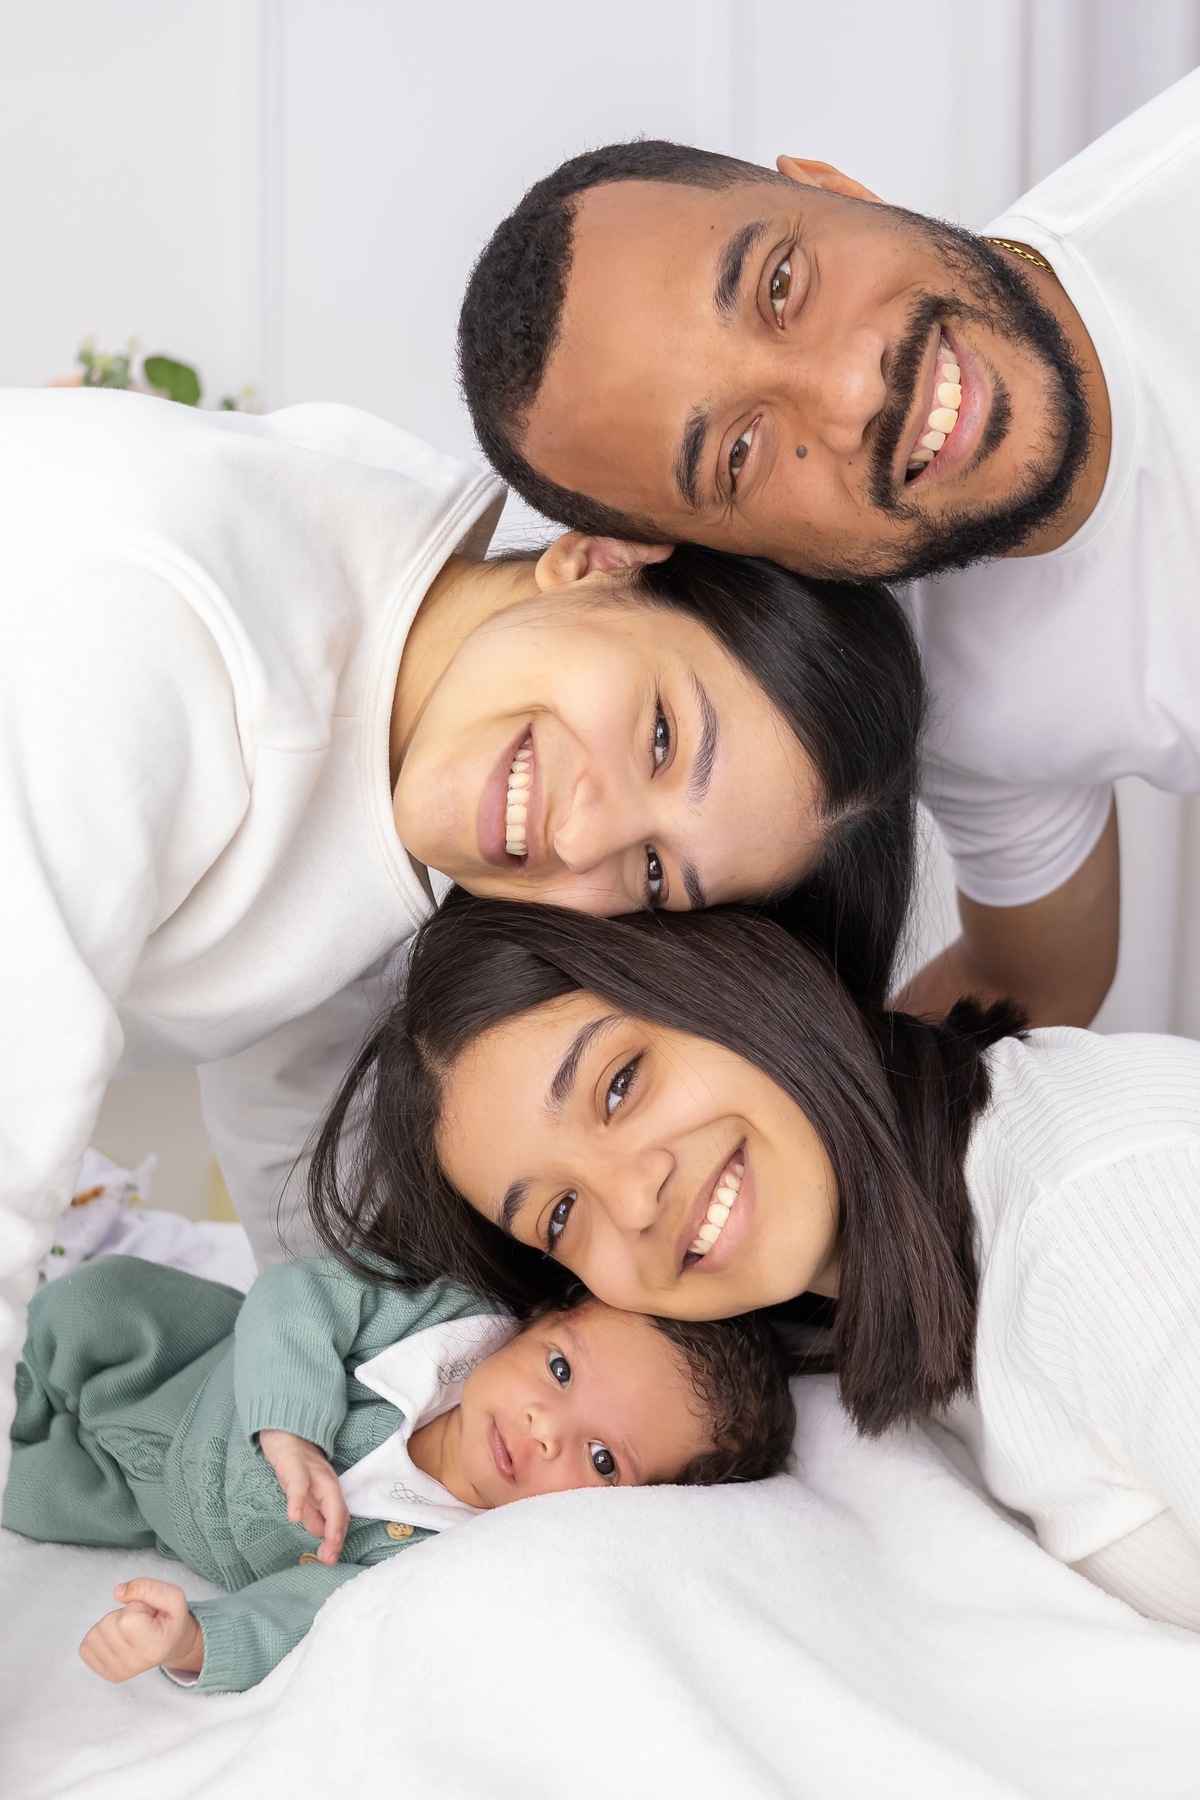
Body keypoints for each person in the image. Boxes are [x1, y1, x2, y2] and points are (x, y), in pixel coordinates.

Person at [0, 385, 924, 1486]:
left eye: (656, 875)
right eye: (664, 735)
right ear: (606, 559)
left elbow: (291, 1105)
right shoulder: (144, 630)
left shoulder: (408, 765)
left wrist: (369, 1420)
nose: (584, 834)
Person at [457, 69, 1200, 1032]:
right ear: (699, 549)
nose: (853, 391)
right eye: (740, 450)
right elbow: (1036, 984)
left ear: (833, 186)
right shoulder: (956, 697)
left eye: (780, 284)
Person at [308, 891, 1200, 1633]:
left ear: (724, 966)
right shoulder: (848, 1302)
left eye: (620, 1084)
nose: (635, 1200)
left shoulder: (1105, 1212)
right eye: (562, 1213)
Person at [4, 1250, 795, 1692]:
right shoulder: (438, 1322)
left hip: (151, 1507)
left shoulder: (447, 1552)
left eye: (600, 1458)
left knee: (27, 1498)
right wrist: (294, 1428)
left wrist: (190, 1642)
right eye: (558, 1370)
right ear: (539, 1322)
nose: (543, 1429)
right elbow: (301, 1291)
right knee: (90, 1303)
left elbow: (309, 1611)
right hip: (196, 1367)